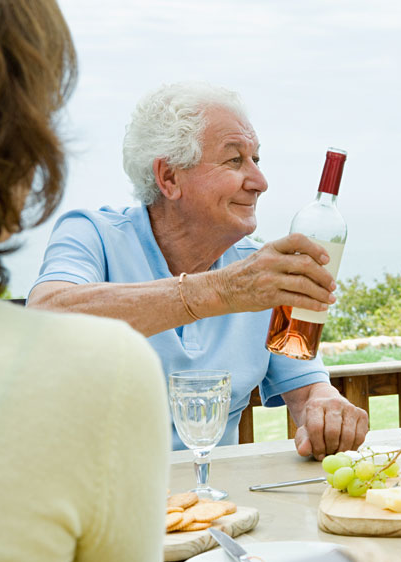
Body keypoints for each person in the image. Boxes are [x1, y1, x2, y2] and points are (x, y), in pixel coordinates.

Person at [0, 0, 169, 562]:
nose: (258, 179)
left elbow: (303, 377)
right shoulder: (100, 367)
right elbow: (52, 309)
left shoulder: (259, 258)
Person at [27, 82, 368, 458]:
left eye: (257, 160)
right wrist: (221, 292)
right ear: (170, 178)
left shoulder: (258, 271)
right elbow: (45, 321)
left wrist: (326, 407)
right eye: (235, 160)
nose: (260, 182)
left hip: (218, 504)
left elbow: (307, 391)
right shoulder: (94, 235)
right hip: (98, 505)